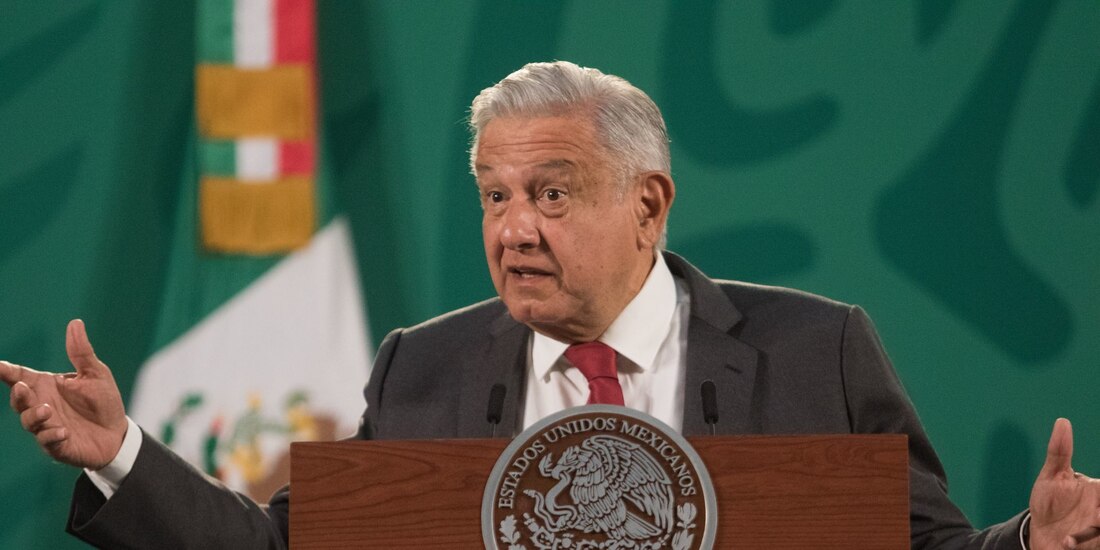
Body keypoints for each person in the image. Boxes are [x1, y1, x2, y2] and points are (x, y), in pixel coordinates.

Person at [2, 61, 1098, 549]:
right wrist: (125, 454)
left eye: (552, 193)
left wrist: (1026, 546)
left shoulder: (816, 349)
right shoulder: (416, 369)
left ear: (648, 204)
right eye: (493, 194)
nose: (511, 227)